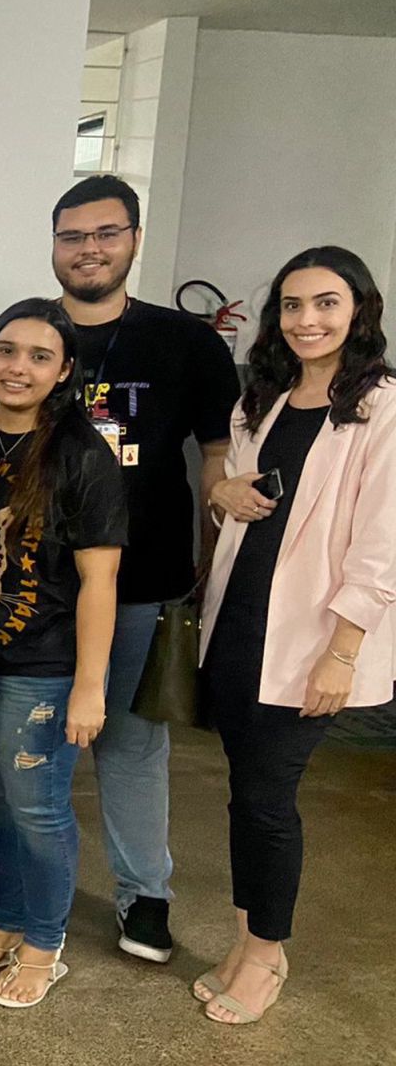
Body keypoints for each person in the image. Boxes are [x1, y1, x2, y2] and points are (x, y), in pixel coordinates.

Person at [0, 174, 237, 963]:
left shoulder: (185, 343)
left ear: (134, 239)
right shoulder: (5, 337)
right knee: (15, 758)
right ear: (54, 245)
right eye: (73, 235)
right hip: (24, 597)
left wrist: (214, 553)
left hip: (138, 585)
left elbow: (217, 453)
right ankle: (20, 888)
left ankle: (145, 895)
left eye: (106, 233)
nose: (89, 249)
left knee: (129, 747)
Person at [195, 248, 396, 1026]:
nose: (306, 320)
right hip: (242, 621)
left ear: (359, 311)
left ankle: (266, 954)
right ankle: (247, 938)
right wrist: (222, 491)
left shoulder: (381, 408)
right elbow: (231, 493)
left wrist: (342, 653)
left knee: (268, 799)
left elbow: (381, 547)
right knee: (245, 793)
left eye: (325, 303)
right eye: (292, 304)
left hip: (313, 637)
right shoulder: (266, 398)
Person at [0, 299, 126, 1008]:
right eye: (7, 351)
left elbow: (99, 581)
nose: (19, 367)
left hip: (45, 667)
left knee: (39, 808)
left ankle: (45, 947)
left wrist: (89, 685)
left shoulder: (82, 453)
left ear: (65, 370)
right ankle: (8, 925)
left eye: (39, 356)